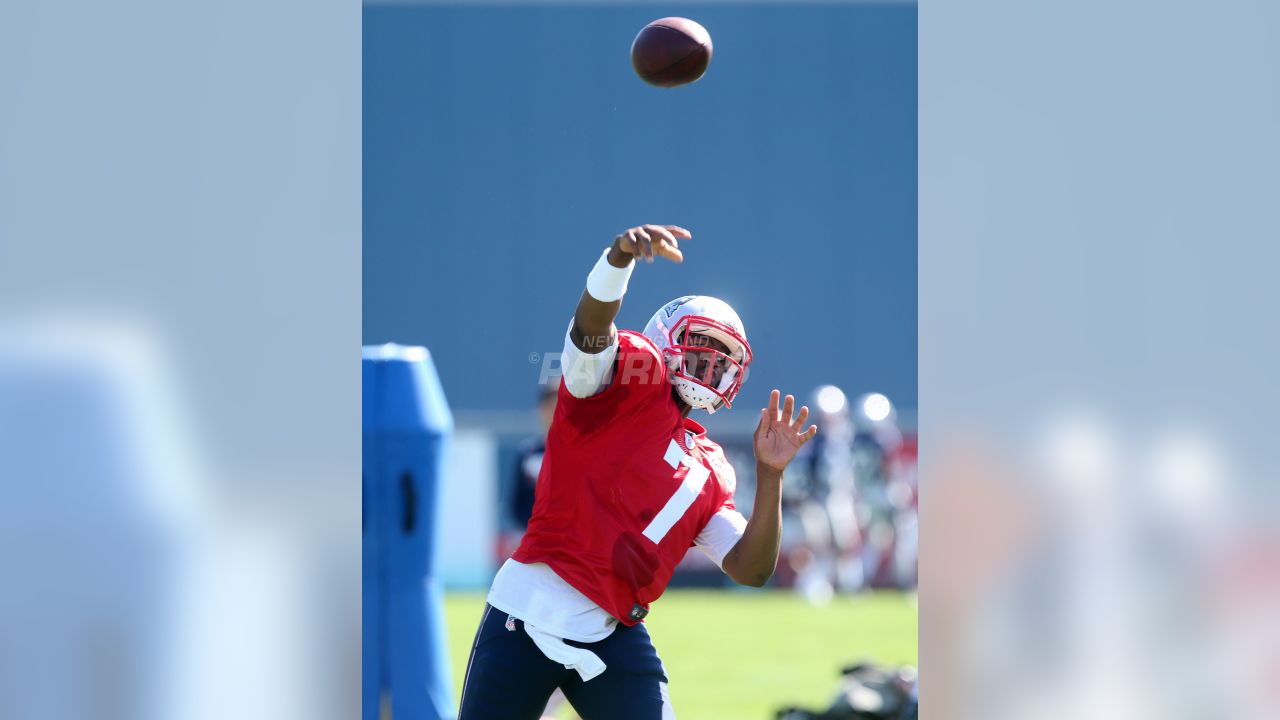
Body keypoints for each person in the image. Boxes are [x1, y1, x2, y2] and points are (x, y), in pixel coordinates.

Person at [458, 224, 818, 720]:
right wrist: (617, 261)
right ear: (664, 341)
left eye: (723, 361)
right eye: (700, 348)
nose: (711, 367)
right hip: (526, 614)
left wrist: (770, 475)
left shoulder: (710, 467)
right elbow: (589, 333)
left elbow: (750, 570)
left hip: (613, 634)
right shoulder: (619, 384)